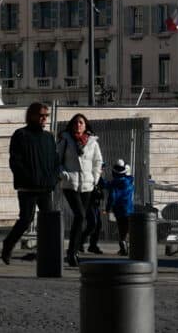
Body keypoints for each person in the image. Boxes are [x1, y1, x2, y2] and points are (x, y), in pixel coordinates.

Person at [0, 102, 59, 264]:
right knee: (26, 219)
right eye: (41, 115)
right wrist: (27, 177)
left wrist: (54, 178)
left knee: (48, 220)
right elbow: (15, 161)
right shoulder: (21, 135)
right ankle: (9, 244)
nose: (44, 118)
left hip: (46, 186)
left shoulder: (48, 137)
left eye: (46, 116)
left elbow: (55, 161)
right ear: (32, 115)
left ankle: (45, 252)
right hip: (27, 187)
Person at [55, 113, 103, 267]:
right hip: (71, 183)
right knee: (80, 215)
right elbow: (56, 160)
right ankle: (72, 253)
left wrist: (94, 178)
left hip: (87, 185)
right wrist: (64, 175)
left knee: (81, 218)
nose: (78, 125)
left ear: (85, 125)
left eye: (81, 122)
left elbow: (98, 161)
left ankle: (73, 252)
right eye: (75, 122)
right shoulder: (66, 139)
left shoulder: (92, 142)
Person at [105, 159, 136, 255]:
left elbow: (112, 197)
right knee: (128, 228)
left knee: (121, 228)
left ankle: (123, 244)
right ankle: (126, 245)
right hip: (129, 209)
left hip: (119, 210)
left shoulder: (114, 184)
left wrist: (107, 208)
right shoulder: (130, 182)